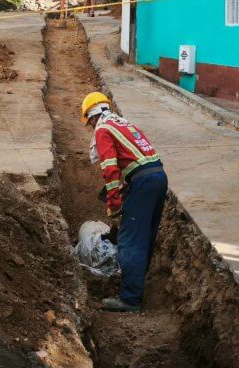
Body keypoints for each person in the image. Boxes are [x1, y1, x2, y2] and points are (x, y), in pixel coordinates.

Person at [81, 91, 167, 313]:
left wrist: (114, 202)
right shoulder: (123, 123)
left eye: (89, 123)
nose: (91, 127)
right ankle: (138, 286)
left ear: (91, 117)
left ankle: (130, 299)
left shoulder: (102, 129)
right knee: (145, 237)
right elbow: (139, 159)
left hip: (143, 183)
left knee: (129, 240)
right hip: (157, 178)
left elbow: (109, 168)